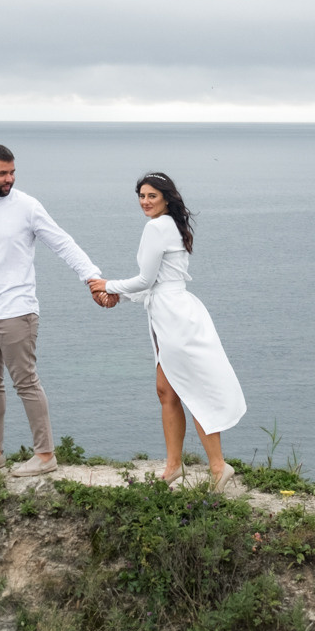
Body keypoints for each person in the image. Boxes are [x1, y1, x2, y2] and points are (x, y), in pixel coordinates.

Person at [0, 143, 110, 477]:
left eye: (13, 172)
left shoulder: (27, 207)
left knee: (26, 382)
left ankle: (45, 455)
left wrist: (92, 277)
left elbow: (62, 242)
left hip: (17, 312)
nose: (10, 179)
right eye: (3, 173)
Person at [99, 172, 246, 489]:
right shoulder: (171, 225)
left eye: (151, 195)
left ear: (166, 197)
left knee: (192, 391)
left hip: (174, 318)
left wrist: (106, 286)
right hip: (171, 313)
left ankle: (219, 467)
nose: (145, 202)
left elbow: (145, 280)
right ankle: (174, 465)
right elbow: (157, 283)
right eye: (141, 196)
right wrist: (119, 297)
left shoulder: (157, 227)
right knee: (166, 391)